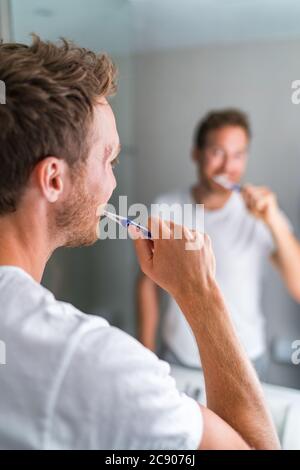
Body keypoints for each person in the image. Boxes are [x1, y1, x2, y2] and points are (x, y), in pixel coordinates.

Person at [0, 36, 279, 450]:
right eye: (108, 160)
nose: (114, 182)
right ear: (54, 179)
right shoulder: (92, 361)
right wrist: (200, 293)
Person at [137, 109, 300, 378]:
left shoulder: (261, 214)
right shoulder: (167, 207)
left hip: (246, 362)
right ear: (196, 154)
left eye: (238, 155)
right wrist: (146, 353)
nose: (228, 167)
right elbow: (147, 283)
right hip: (179, 357)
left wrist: (272, 220)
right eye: (218, 152)